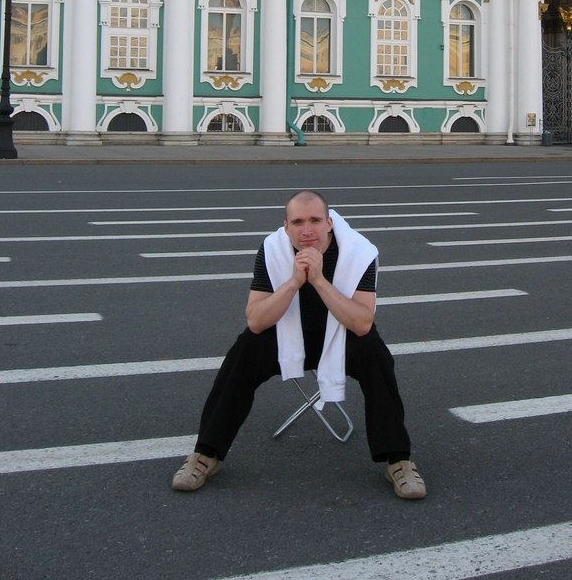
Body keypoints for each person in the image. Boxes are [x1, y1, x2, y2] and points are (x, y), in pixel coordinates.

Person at [171, 189, 426, 499]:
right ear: (286, 226)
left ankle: (398, 460)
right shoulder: (272, 249)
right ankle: (206, 454)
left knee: (375, 353)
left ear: (329, 223)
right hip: (287, 335)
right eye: (298, 222)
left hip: (339, 337)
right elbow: (256, 320)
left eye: (315, 220)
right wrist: (294, 281)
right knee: (245, 349)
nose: (307, 230)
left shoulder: (359, 253)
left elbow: (361, 322)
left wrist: (318, 280)